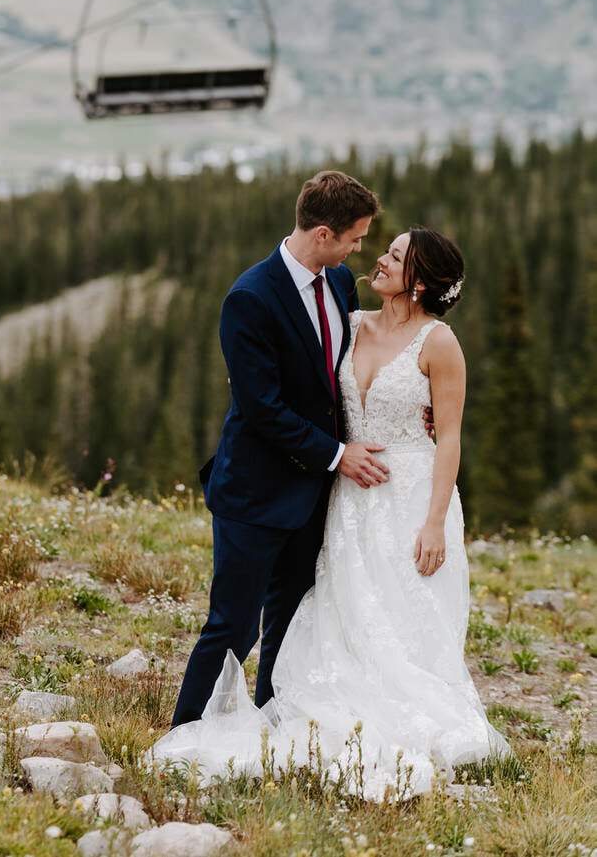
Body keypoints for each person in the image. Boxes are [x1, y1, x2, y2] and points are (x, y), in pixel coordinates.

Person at [153, 227, 508, 798]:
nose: (378, 258)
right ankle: (249, 714)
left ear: (418, 282)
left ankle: (405, 714)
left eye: (395, 254)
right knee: (341, 607)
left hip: (412, 496)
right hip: (346, 501)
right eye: (382, 245)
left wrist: (436, 521)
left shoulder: (440, 344)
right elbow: (301, 380)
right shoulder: (350, 317)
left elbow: (449, 439)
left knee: (401, 616)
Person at [171, 171, 385, 733]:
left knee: (289, 623)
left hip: (313, 494)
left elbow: (339, 377)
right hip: (255, 491)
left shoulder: (339, 284)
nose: (359, 249)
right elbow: (262, 409)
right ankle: (185, 733)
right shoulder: (250, 297)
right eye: (354, 238)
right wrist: (339, 455)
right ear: (322, 234)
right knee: (233, 626)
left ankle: (269, 728)